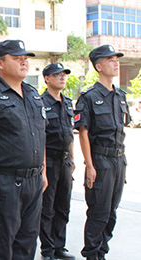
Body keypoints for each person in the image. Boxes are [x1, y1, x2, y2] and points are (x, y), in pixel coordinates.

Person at [0, 39, 48, 260]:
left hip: (33, 181)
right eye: (17, 59)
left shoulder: (33, 94)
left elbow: (40, 135)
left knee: (28, 241)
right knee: (2, 244)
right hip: (5, 182)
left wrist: (43, 172)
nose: (24, 63)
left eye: (25, 59)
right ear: (0, 63)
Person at [74, 45, 130, 260]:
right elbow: (83, 132)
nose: (116, 63)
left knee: (111, 213)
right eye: (110, 60)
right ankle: (92, 254)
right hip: (100, 160)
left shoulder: (120, 96)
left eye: (117, 59)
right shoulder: (89, 96)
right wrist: (89, 165)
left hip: (118, 161)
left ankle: (102, 252)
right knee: (99, 212)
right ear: (98, 66)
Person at [39, 63, 75, 260]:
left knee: (63, 206)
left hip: (65, 162)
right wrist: (43, 168)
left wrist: (73, 158)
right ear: (47, 78)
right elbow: (41, 137)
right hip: (50, 161)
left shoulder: (68, 102)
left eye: (64, 75)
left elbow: (70, 134)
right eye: (57, 75)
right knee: (48, 208)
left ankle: (59, 246)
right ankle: (48, 250)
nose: (62, 78)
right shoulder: (40, 102)